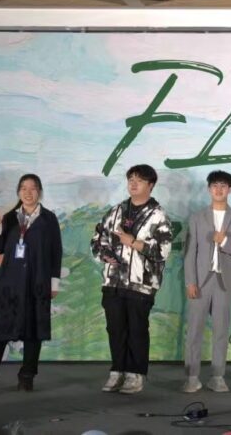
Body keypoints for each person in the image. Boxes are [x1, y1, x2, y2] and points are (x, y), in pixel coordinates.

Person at [91, 164, 174, 395]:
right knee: (115, 328)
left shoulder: (158, 215)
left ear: (151, 185)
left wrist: (134, 243)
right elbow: (97, 239)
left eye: (139, 180)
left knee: (137, 329)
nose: (133, 184)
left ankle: (135, 374)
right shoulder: (116, 211)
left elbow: (163, 251)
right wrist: (105, 255)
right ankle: (117, 371)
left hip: (141, 284)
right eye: (131, 179)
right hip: (113, 281)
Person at [0, 173, 62, 393]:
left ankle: (27, 376)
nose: (28, 192)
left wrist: (54, 283)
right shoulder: (9, 218)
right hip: (10, 284)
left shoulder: (49, 219)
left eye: (33, 188)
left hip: (38, 282)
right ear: (18, 192)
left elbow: (56, 252)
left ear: (39, 192)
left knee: (34, 332)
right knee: (0, 331)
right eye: (23, 188)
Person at [182, 170, 231, 393]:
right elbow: (189, 253)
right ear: (209, 189)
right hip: (200, 282)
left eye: (223, 186)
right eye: (215, 185)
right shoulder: (197, 217)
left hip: (224, 281)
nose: (219, 190)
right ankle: (192, 377)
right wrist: (190, 282)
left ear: (230, 189)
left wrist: (225, 241)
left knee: (221, 331)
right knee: (194, 330)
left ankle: (218, 376)